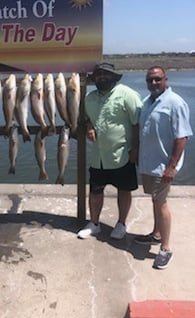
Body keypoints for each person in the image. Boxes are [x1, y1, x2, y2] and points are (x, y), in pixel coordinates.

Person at [135, 66, 192, 269]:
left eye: (158, 79)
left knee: (161, 203)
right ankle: (156, 234)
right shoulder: (147, 102)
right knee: (155, 200)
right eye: (150, 80)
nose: (154, 83)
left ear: (165, 79)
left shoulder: (175, 103)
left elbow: (182, 137)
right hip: (149, 163)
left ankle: (166, 248)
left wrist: (172, 166)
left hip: (163, 165)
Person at [77, 62, 142, 240]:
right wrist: (89, 125)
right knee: (95, 191)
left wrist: (136, 149)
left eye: (105, 75)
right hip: (98, 157)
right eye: (98, 75)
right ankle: (94, 224)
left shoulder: (127, 94)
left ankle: (121, 223)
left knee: (124, 190)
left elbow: (137, 123)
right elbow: (86, 118)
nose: (101, 78)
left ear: (113, 76)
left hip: (122, 155)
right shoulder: (89, 97)